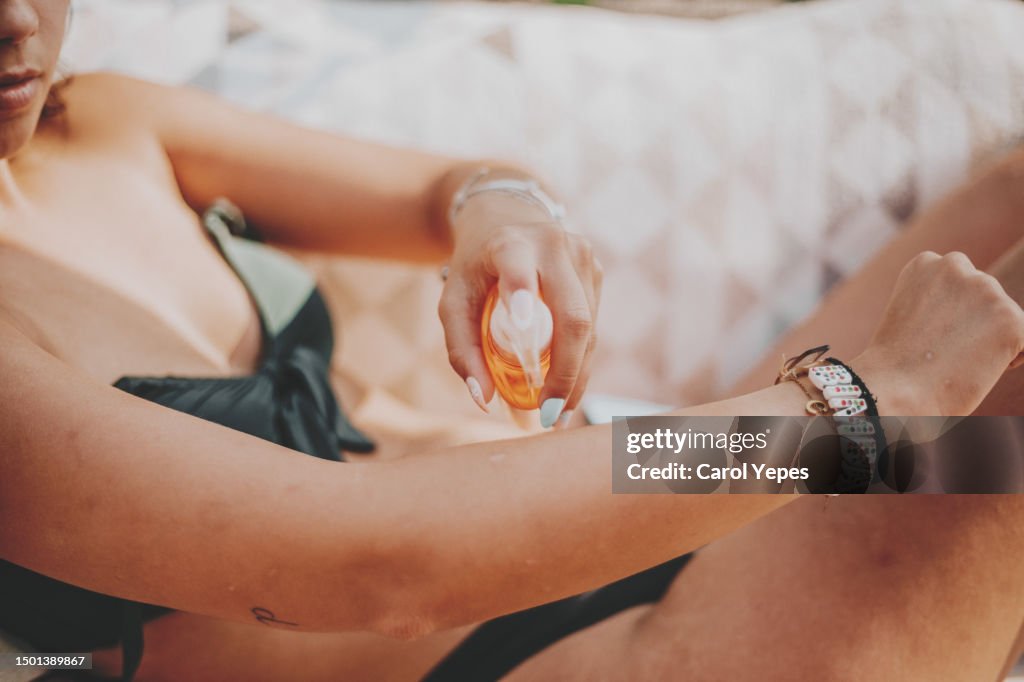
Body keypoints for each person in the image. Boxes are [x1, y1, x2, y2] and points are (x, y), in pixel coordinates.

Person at [0, 2, 1022, 680]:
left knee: (1011, 196)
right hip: (529, 654)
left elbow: (440, 186)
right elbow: (384, 570)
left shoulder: (103, 127)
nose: (15, 22)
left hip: (636, 485)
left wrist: (496, 209)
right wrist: (851, 407)